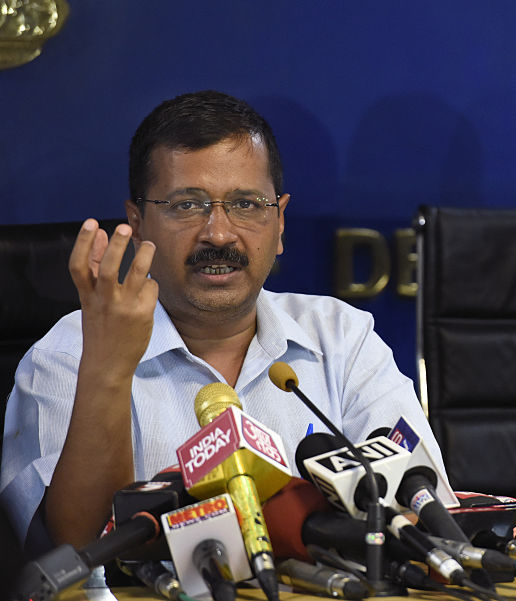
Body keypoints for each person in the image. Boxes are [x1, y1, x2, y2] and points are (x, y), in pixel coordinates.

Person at [0, 91, 447, 551]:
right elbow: (75, 550)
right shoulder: (69, 353)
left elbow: (423, 508)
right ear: (138, 221)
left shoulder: (342, 337)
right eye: (187, 205)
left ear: (280, 224)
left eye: (247, 204)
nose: (218, 233)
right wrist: (109, 370)